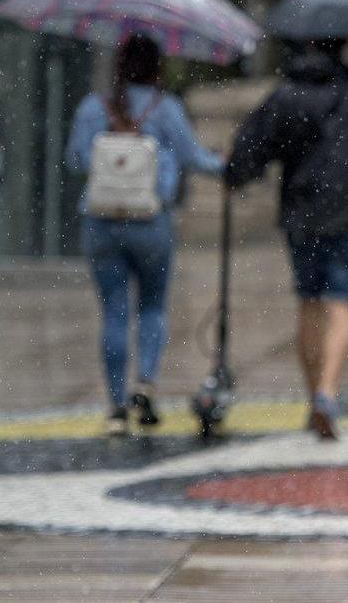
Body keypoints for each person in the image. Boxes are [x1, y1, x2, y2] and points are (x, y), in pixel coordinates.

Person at [225, 38, 348, 441]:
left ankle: (313, 400)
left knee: (309, 300)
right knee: (343, 300)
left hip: (302, 213)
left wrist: (236, 174)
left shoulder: (286, 95)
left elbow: (252, 148)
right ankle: (328, 390)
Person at [66, 34, 224, 436]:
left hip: (101, 222)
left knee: (113, 313)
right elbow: (194, 158)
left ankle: (116, 408)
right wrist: (228, 164)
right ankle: (145, 385)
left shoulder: (92, 107)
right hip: (151, 223)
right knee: (152, 307)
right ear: (157, 68)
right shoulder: (166, 109)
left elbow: (76, 159)